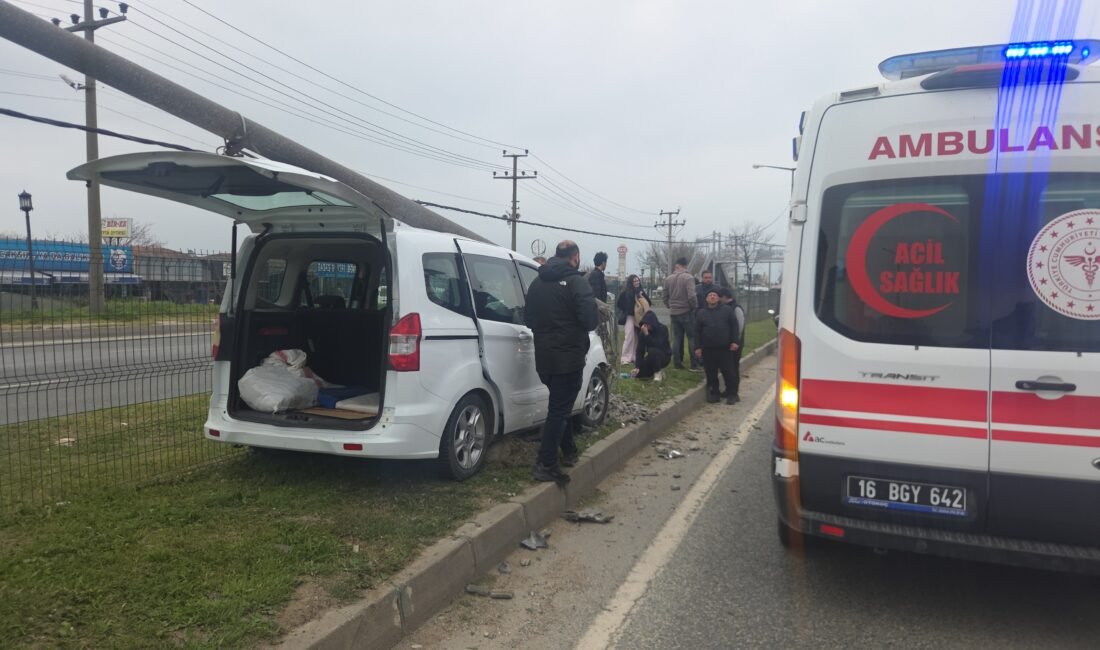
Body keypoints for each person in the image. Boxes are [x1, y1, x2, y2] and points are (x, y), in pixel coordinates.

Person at [524, 240, 598, 484]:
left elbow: (528, 318)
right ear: (575, 257)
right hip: (568, 357)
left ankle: (569, 451)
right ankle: (546, 463)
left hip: (544, 357)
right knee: (559, 409)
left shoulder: (537, 283)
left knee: (560, 404)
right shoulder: (577, 282)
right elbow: (590, 320)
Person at [695, 288, 740, 404]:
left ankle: (732, 394)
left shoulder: (727, 310)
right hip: (708, 349)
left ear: (718, 298)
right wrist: (697, 347)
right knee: (711, 373)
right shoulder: (701, 313)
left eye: (714, 295)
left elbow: (734, 326)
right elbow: (697, 331)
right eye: (710, 295)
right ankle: (714, 393)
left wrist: (735, 342)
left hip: (725, 348)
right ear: (706, 299)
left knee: (728, 372)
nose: (712, 297)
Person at [663, 257, 700, 370]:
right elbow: (692, 296)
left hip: (674, 312)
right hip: (686, 311)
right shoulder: (688, 278)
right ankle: (694, 364)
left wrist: (670, 306)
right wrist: (694, 307)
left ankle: (677, 363)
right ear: (686, 265)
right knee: (691, 337)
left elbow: (664, 296)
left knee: (677, 338)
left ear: (676, 265)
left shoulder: (668, 279)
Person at [616, 274, 650, 365]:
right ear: (631, 282)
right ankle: (625, 358)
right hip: (630, 316)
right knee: (629, 336)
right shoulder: (626, 293)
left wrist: (642, 295)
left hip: (639, 317)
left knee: (637, 337)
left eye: (638, 280)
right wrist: (627, 310)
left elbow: (648, 302)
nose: (637, 282)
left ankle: (634, 356)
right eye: (634, 281)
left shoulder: (641, 292)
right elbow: (619, 303)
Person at [719, 287, 746, 402]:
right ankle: (728, 390)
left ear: (725, 297)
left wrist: (735, 342)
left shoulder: (736, 308)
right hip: (725, 344)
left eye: (720, 297)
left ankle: (734, 393)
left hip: (734, 345)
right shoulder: (724, 308)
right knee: (726, 369)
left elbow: (739, 327)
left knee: (733, 369)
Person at [631, 310, 671, 381]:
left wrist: (647, 335)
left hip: (664, 356)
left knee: (652, 350)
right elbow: (640, 350)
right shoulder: (643, 332)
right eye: (644, 325)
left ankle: (658, 372)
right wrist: (637, 367)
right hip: (651, 356)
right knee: (638, 374)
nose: (646, 327)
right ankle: (653, 370)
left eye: (647, 325)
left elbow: (658, 344)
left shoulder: (662, 329)